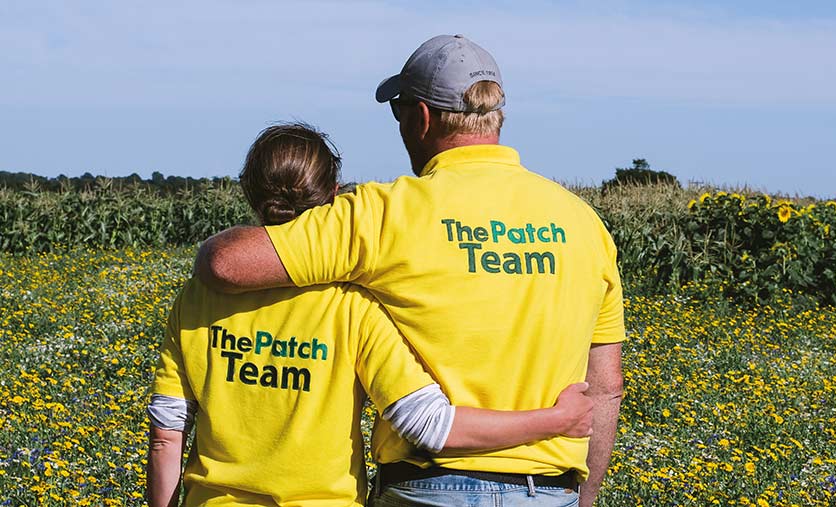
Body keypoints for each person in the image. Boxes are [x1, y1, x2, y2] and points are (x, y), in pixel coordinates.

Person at [195, 35, 625, 507]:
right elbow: (605, 389)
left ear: (420, 118)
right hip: (549, 490)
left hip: (426, 487)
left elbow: (225, 263)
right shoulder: (583, 223)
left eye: (398, 113)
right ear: (494, 115)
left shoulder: (383, 213)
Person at [146, 123, 596, 507]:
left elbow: (168, 431)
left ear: (248, 190)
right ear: (334, 197)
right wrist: (555, 421)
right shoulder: (353, 306)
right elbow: (429, 425)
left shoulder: (196, 299)